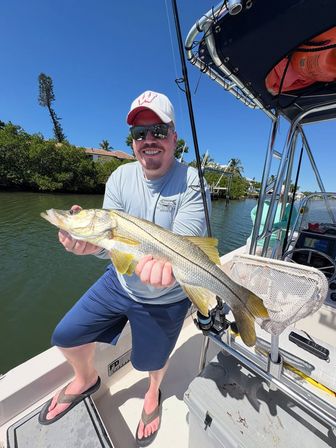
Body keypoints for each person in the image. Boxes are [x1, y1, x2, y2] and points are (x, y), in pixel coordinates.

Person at [38, 90, 211, 447]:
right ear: (132, 141)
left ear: (174, 137)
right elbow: (114, 248)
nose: (149, 140)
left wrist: (169, 269)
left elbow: (185, 243)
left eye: (158, 131)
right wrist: (91, 248)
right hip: (120, 282)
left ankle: (152, 393)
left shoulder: (193, 182)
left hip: (168, 293)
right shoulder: (118, 178)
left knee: (151, 362)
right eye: (139, 134)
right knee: (65, 335)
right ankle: (86, 378)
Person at [247, 186, 298, 257]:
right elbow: (253, 213)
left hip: (272, 245)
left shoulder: (289, 207)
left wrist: (274, 225)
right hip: (253, 241)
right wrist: (256, 222)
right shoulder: (264, 203)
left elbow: (292, 223)